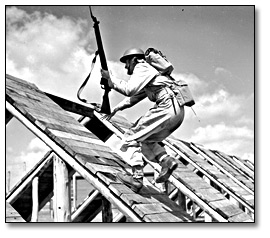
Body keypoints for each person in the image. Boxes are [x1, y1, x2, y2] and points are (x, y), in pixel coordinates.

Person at [100, 48, 185, 193]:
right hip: (177, 112)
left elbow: (129, 90)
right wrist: (116, 108)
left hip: (166, 108)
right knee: (146, 140)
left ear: (134, 59)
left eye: (127, 62)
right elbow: (135, 97)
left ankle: (137, 179)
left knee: (130, 137)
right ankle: (166, 160)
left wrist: (111, 79)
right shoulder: (152, 72)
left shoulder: (142, 66)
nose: (126, 67)